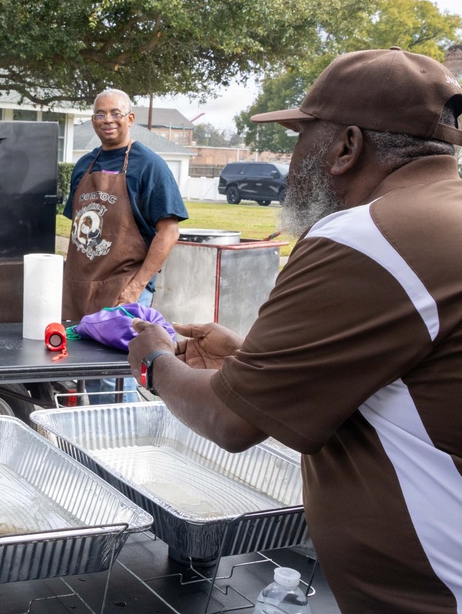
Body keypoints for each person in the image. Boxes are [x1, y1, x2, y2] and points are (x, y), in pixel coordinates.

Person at [126, 48, 462, 612]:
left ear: (347, 146)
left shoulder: (367, 237)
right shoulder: (440, 218)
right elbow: (414, 383)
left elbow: (229, 422)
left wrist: (154, 359)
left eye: (301, 138)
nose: (290, 161)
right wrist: (251, 363)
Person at [62, 88, 188, 403]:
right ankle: (87, 442)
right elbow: (79, 225)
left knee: (115, 378)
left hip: (124, 288)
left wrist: (136, 287)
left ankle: (120, 443)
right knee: (86, 370)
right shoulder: (84, 165)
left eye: (115, 113)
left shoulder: (149, 166)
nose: (108, 120)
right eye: (100, 114)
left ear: (130, 118)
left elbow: (168, 231)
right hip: (83, 288)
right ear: (92, 121)